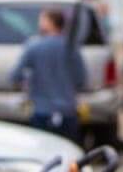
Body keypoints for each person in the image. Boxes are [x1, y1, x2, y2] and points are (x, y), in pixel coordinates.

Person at [11, 8, 87, 141]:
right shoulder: (72, 47)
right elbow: (81, 79)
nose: (39, 23)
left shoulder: (34, 46)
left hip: (42, 110)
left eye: (42, 19)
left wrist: (27, 84)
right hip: (68, 110)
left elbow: (15, 75)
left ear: (50, 23)